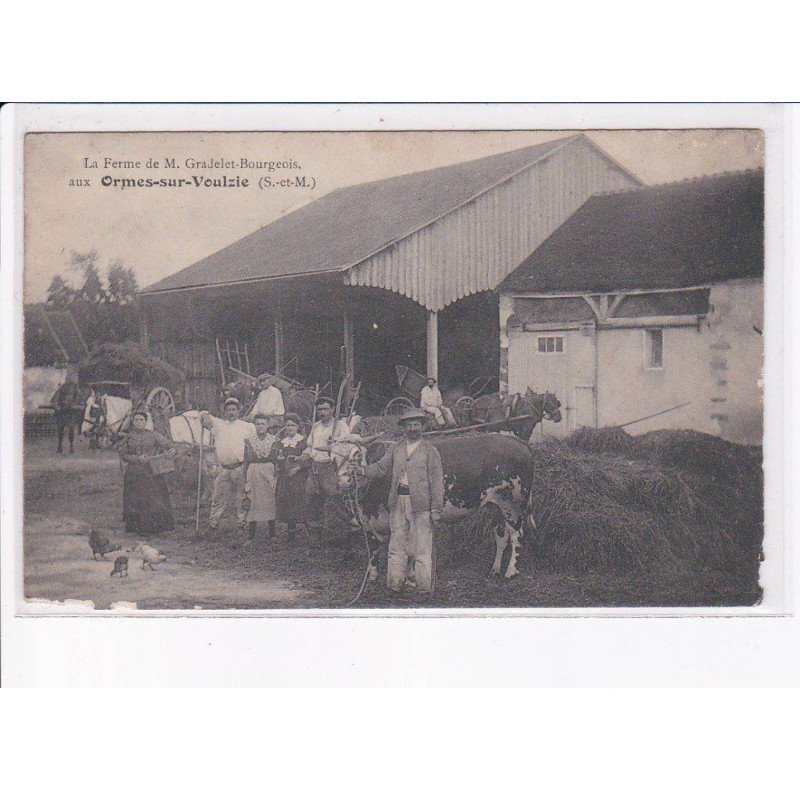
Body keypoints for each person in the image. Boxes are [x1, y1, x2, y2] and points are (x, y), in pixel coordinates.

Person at [360, 408, 444, 593]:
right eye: (409, 424)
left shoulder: (430, 451)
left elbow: (437, 482)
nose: (413, 428)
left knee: (422, 549)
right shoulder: (396, 448)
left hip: (421, 505)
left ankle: (422, 588)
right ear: (404, 427)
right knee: (396, 545)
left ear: (422, 427)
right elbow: (381, 468)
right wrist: (361, 470)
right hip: (397, 501)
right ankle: (395, 584)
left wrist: (436, 509)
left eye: (416, 424)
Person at [200, 397, 256, 535]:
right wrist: (204, 416)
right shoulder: (219, 425)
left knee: (242, 498)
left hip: (240, 468)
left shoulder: (248, 426)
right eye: (228, 410)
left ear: (239, 411)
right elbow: (202, 413)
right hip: (224, 469)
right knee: (218, 498)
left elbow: (253, 447)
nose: (231, 412)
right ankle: (213, 525)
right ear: (224, 411)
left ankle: (241, 524)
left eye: (234, 409)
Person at [118, 410, 176, 537]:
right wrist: (136, 458)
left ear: (146, 422)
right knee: (134, 499)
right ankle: (136, 525)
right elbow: (123, 455)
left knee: (152, 498)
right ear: (133, 422)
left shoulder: (153, 435)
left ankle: (152, 526)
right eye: (136, 420)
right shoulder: (128, 437)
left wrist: (171, 450)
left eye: (141, 420)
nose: (139, 423)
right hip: (133, 472)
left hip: (151, 471)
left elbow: (168, 444)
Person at [303, 396, 350, 542]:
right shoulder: (316, 426)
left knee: (337, 500)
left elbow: (347, 446)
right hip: (315, 467)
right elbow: (310, 446)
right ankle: (315, 533)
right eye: (320, 409)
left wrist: (333, 446)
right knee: (312, 499)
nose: (322, 412)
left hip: (330, 467)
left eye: (326, 409)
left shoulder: (340, 426)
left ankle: (348, 532)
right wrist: (302, 456)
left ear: (333, 409)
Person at [270, 412, 308, 540]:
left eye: (293, 425)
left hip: (299, 477)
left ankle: (309, 532)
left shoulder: (303, 442)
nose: (290, 428)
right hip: (285, 477)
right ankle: (290, 533)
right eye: (288, 425)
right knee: (287, 503)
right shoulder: (282, 442)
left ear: (298, 427)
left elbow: (309, 459)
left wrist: (298, 467)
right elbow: (276, 459)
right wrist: (279, 460)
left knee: (299, 503)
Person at [242, 413, 278, 540]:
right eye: (258, 424)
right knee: (253, 501)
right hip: (253, 471)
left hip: (268, 471)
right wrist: (244, 480)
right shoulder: (249, 441)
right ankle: (251, 537)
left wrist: (275, 475)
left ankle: (272, 535)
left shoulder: (274, 440)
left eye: (263, 424)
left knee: (270, 501)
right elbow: (246, 461)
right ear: (254, 425)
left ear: (268, 425)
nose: (260, 426)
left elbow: (276, 459)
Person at [53, 374, 80, 454]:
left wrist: (75, 404)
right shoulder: (61, 389)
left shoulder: (75, 388)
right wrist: (57, 406)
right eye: (68, 379)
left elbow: (78, 398)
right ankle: (60, 445)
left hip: (71, 412)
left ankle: (71, 446)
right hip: (61, 412)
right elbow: (54, 400)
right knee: (60, 430)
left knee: (71, 429)